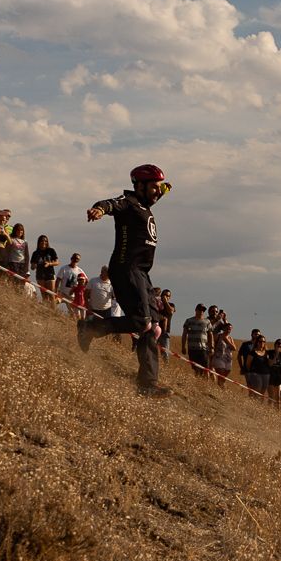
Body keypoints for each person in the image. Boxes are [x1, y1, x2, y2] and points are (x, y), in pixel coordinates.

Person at [78, 164, 171, 395]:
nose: (157, 192)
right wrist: (98, 210)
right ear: (139, 186)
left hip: (142, 273)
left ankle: (147, 385)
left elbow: (161, 191)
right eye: (154, 187)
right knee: (143, 322)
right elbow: (111, 204)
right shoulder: (129, 203)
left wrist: (165, 188)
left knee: (155, 329)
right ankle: (92, 327)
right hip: (125, 269)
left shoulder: (144, 204)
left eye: (159, 188)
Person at [181, 303, 213, 375]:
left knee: (205, 368)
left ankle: (205, 384)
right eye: (200, 310)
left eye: (203, 310)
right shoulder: (189, 321)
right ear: (196, 310)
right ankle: (198, 382)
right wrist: (183, 346)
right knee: (196, 368)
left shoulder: (207, 321)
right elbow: (184, 334)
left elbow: (210, 335)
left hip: (203, 348)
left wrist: (212, 347)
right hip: (192, 348)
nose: (201, 311)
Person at [210, 319, 235, 387]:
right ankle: (220, 386)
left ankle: (220, 384)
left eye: (230, 329)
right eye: (227, 328)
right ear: (223, 328)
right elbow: (212, 344)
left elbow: (234, 348)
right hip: (218, 357)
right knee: (221, 373)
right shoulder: (218, 336)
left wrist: (226, 340)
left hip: (228, 358)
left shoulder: (230, 338)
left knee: (226, 374)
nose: (228, 330)